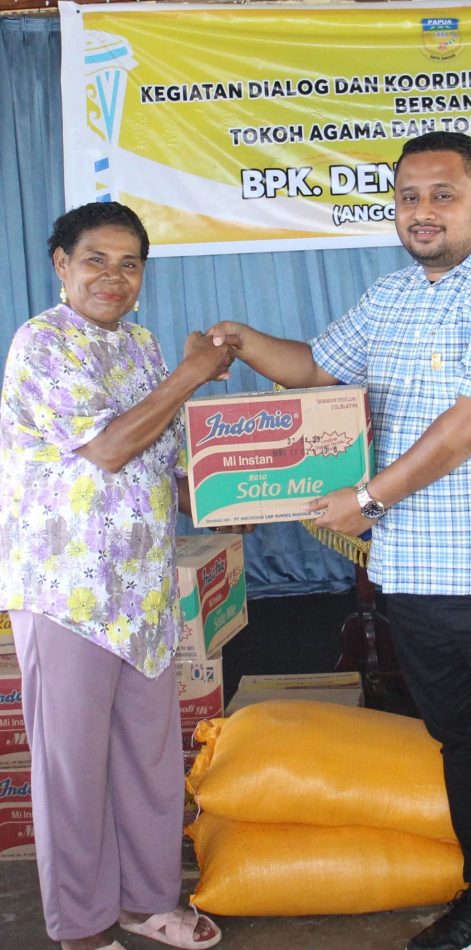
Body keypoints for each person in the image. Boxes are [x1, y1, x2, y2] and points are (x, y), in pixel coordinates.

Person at [207, 131, 471, 950]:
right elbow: (315, 367)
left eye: (443, 195)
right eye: (409, 197)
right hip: (415, 573)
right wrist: (241, 341)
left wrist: (367, 497)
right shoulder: (392, 296)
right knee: (463, 741)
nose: (423, 211)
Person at [0, 201, 240, 950]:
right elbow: (107, 449)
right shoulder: (42, 343)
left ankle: (146, 902)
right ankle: (83, 926)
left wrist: (238, 495)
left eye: (129, 263)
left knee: (148, 758)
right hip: (66, 590)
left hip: (142, 589)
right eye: (96, 260)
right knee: (73, 769)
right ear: (61, 265)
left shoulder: (140, 345)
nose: (113, 276)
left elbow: (158, 461)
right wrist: (192, 375)